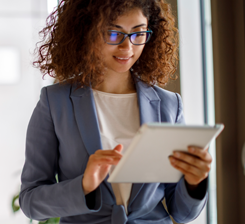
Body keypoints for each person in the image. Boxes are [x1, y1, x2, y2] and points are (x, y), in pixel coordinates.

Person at [19, 0, 212, 223]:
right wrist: (83, 186)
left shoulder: (169, 105)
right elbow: (30, 201)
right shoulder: (55, 103)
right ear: (87, 31)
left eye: (138, 34)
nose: (127, 48)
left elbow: (182, 213)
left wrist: (195, 183)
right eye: (113, 33)